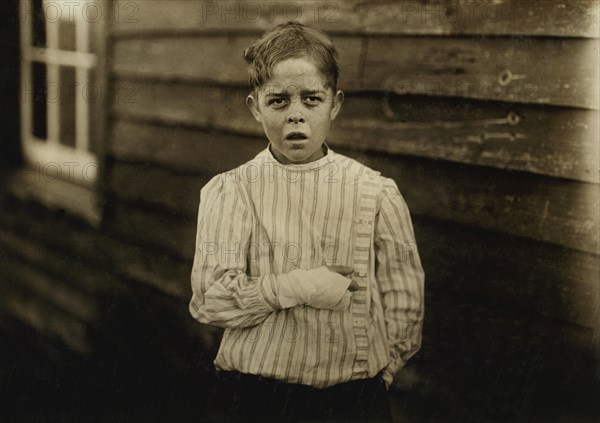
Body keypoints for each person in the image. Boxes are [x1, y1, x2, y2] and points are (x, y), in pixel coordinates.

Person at [189, 21, 425, 423]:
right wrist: (299, 286)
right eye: (278, 101)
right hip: (254, 397)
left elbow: (405, 300)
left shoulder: (375, 192)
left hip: (353, 400)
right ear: (255, 107)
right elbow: (210, 301)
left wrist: (378, 376)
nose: (295, 115)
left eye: (311, 99)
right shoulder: (233, 190)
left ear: (334, 104)